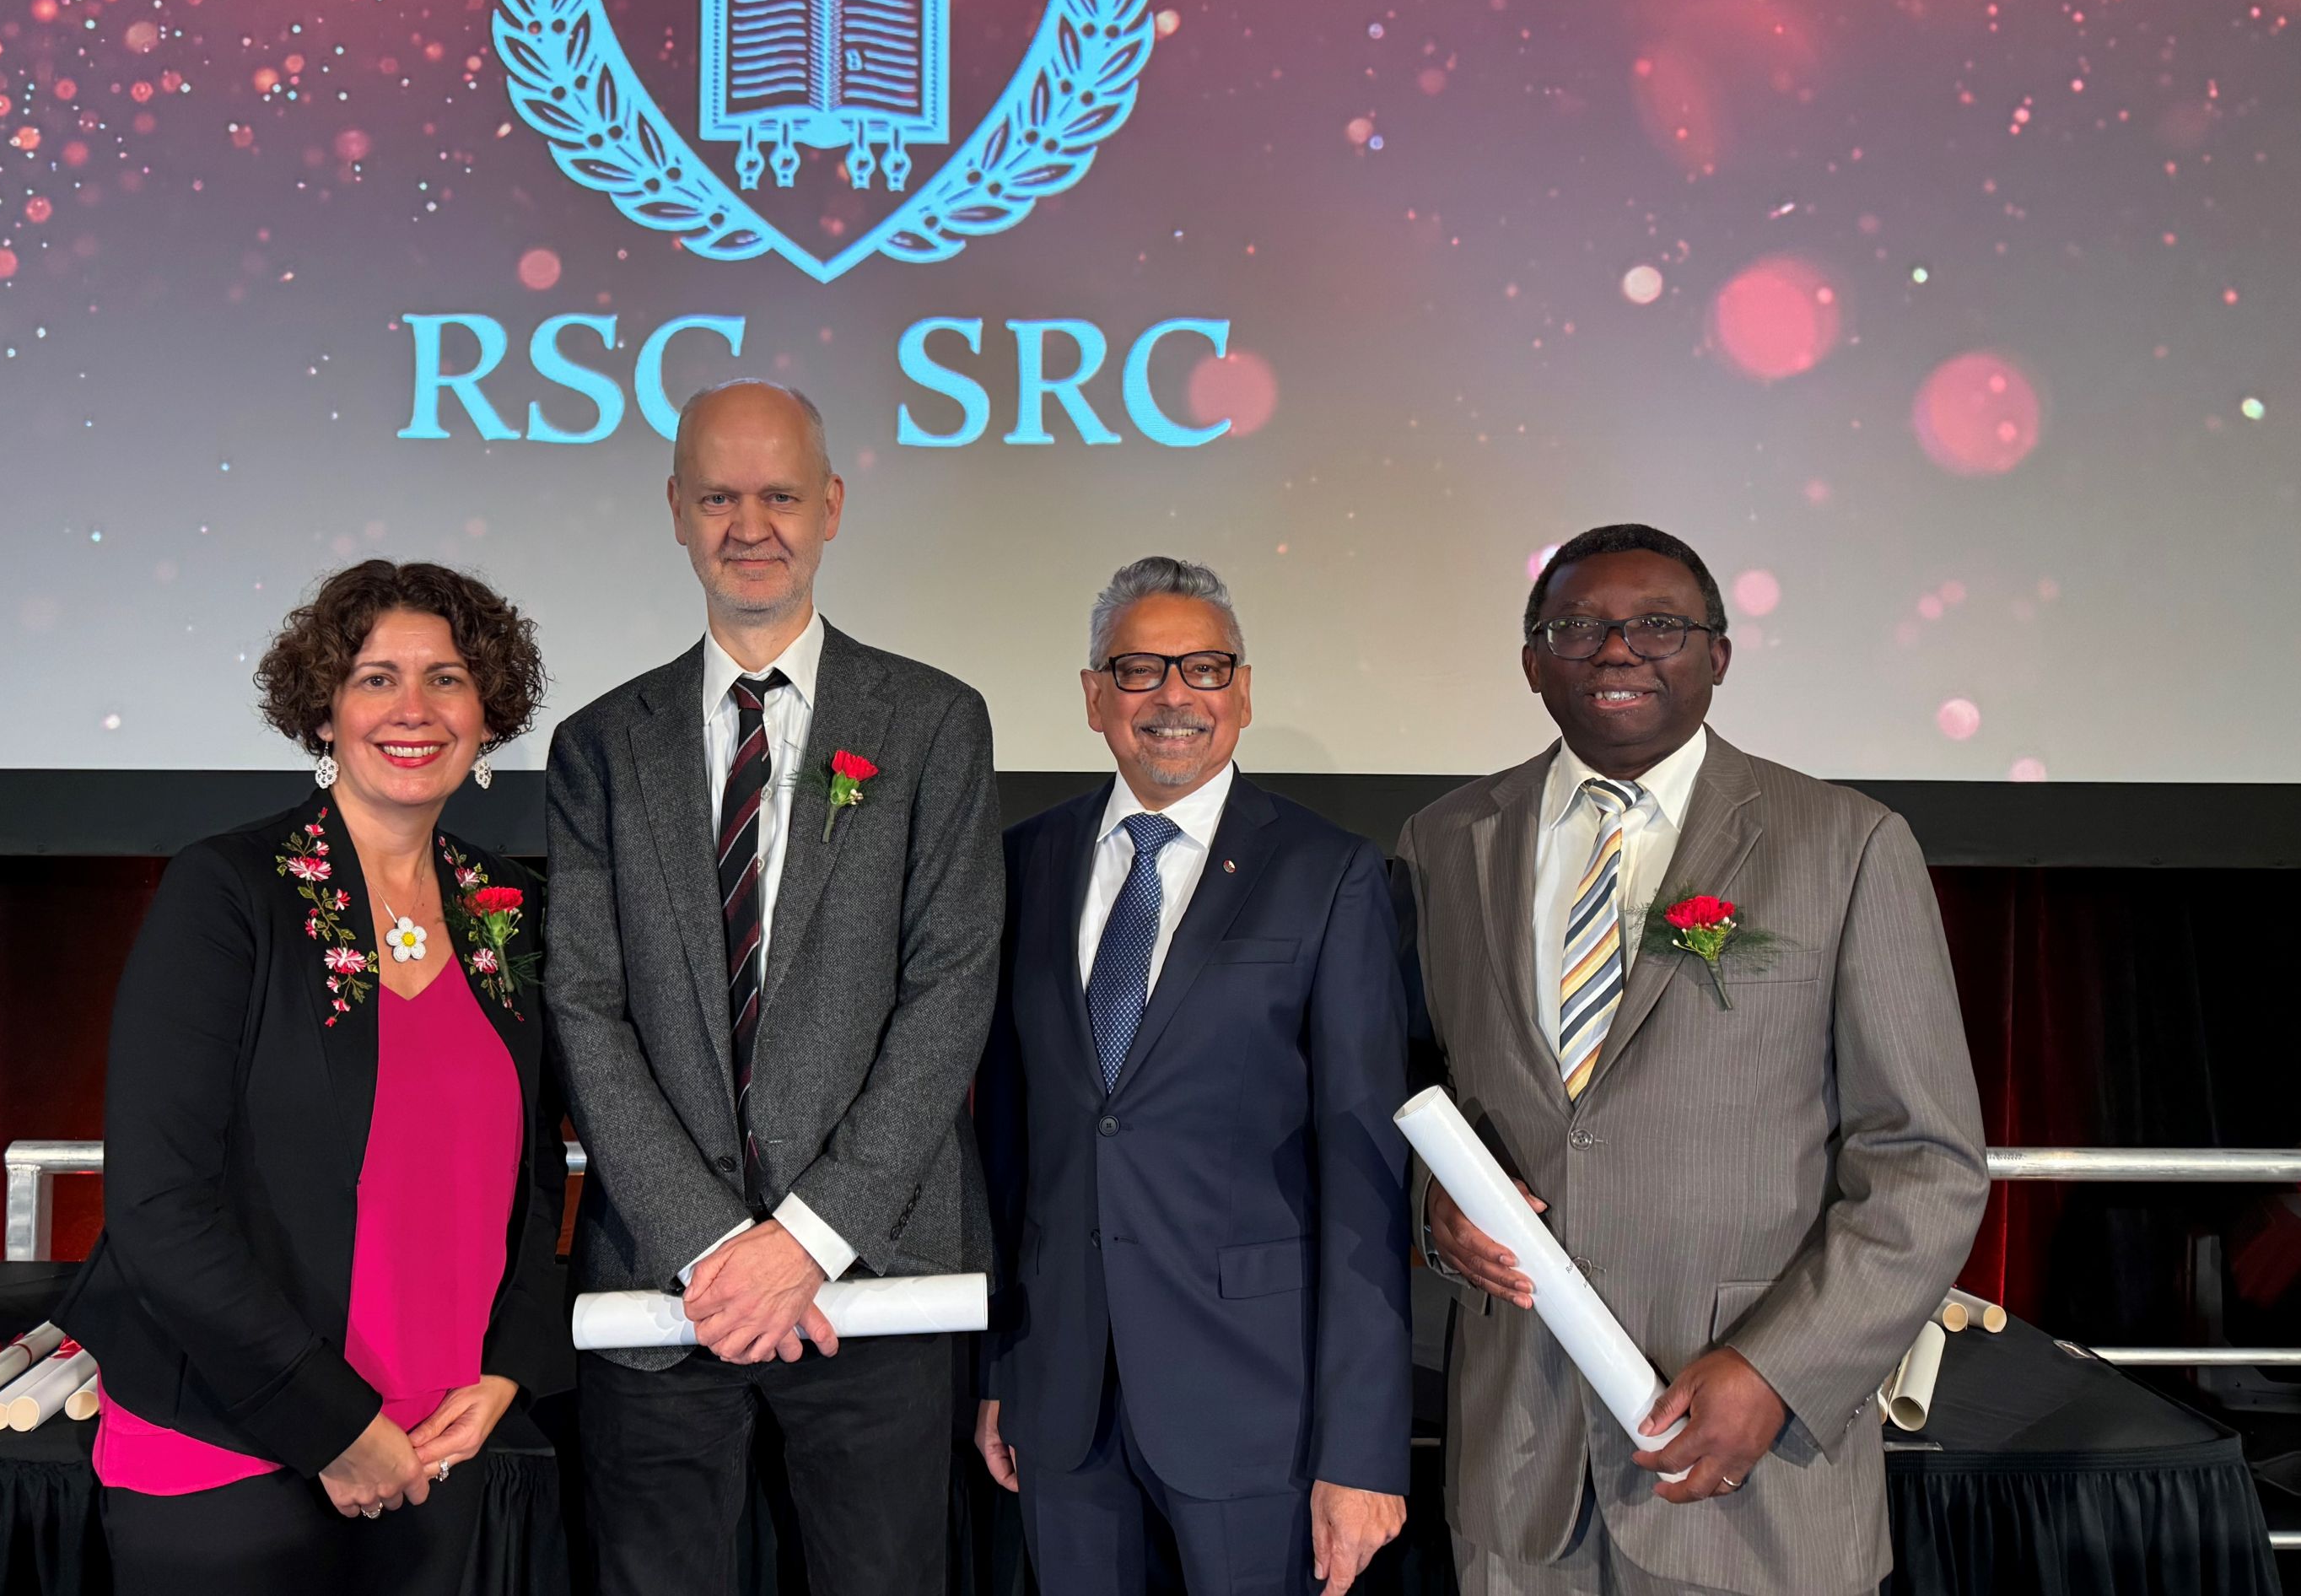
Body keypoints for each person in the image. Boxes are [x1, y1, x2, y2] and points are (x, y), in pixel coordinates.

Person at [1397, 524, 1988, 1596]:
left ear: (1718, 655)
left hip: (1752, 1471)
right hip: (1518, 1475)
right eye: (1577, 627)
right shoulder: (1445, 841)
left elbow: (1925, 1160)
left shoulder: (1845, 844)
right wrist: (1429, 1204)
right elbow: (1414, 1079)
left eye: (1658, 626)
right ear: (1533, 662)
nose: (1617, 650)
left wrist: (1779, 1369)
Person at [544, 380, 1004, 1596]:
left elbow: (950, 990)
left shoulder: (935, 722)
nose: (752, 524)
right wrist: (711, 1243)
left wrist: (803, 1238)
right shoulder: (601, 742)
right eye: (720, 496)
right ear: (678, 513)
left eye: (781, 494)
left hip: (875, 1276)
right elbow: (584, 1003)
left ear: (833, 506)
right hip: (662, 1282)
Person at [61, 560, 572, 1594]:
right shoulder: (228, 891)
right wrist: (333, 1426)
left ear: (489, 710)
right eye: (376, 677)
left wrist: (509, 1365)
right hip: (233, 1442)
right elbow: (159, 1206)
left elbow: (534, 1173)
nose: (414, 709)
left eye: (448, 678)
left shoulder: (509, 903)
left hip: (438, 1439)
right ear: (324, 710)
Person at [978, 557, 1415, 1596]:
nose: (1174, 695)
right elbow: (1006, 1141)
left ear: (1244, 691)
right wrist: (1002, 1369)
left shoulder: (1329, 871)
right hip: (1064, 1394)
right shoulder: (1022, 863)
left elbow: (1368, 1171)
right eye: (1138, 669)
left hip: (1259, 1407)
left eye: (1205, 667)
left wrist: (1361, 1449)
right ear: (1093, 697)